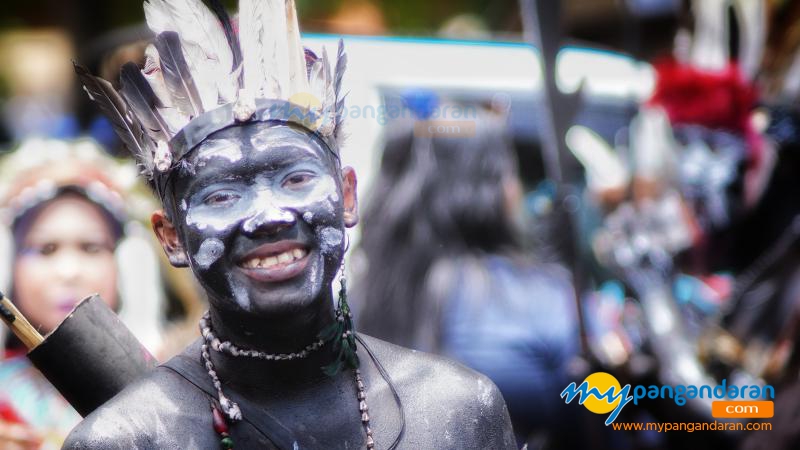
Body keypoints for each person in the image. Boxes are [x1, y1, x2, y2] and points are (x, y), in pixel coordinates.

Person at [64, 1, 516, 449]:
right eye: (222, 196)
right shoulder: (126, 439)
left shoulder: (456, 410)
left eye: (296, 179)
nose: (269, 215)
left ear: (347, 196)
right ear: (173, 237)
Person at [354, 104, 581, 445]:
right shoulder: (542, 298)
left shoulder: (352, 298)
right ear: (488, 187)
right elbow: (586, 411)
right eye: (507, 172)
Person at [0, 138, 166, 449]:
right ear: (8, 261)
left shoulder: (178, 385)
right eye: (45, 249)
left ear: (127, 262)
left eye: (91, 248)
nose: (69, 271)